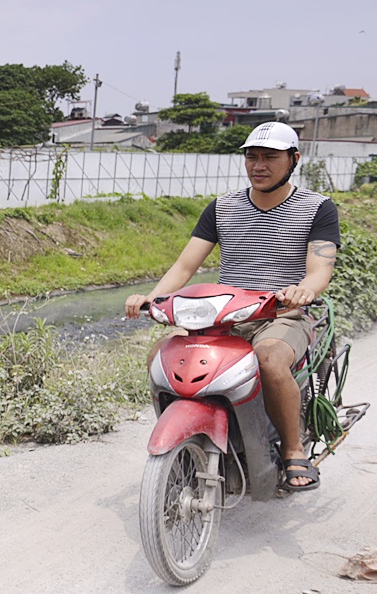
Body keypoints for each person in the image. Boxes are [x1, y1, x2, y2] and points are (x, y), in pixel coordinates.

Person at [124, 121, 340, 493]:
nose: (259, 165)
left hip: (281, 314)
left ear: (294, 159)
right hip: (224, 315)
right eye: (251, 157)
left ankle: (292, 449)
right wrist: (152, 297)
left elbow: (320, 268)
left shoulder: (317, 207)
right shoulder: (223, 207)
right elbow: (185, 266)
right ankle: (186, 440)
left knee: (269, 360)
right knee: (161, 354)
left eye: (270, 157)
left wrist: (303, 291)